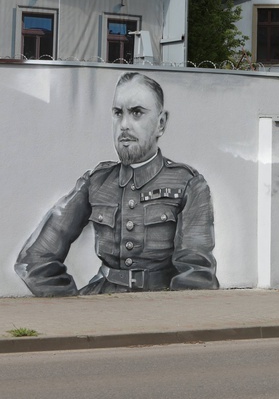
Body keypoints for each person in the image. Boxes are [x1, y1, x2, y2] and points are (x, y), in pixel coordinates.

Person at [14, 72, 219, 296]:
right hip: (101, 299)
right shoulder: (96, 182)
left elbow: (195, 277)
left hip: (159, 304)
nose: (124, 125)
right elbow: (35, 258)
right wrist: (69, 306)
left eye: (136, 113)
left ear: (161, 124)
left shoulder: (188, 184)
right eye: (117, 113)